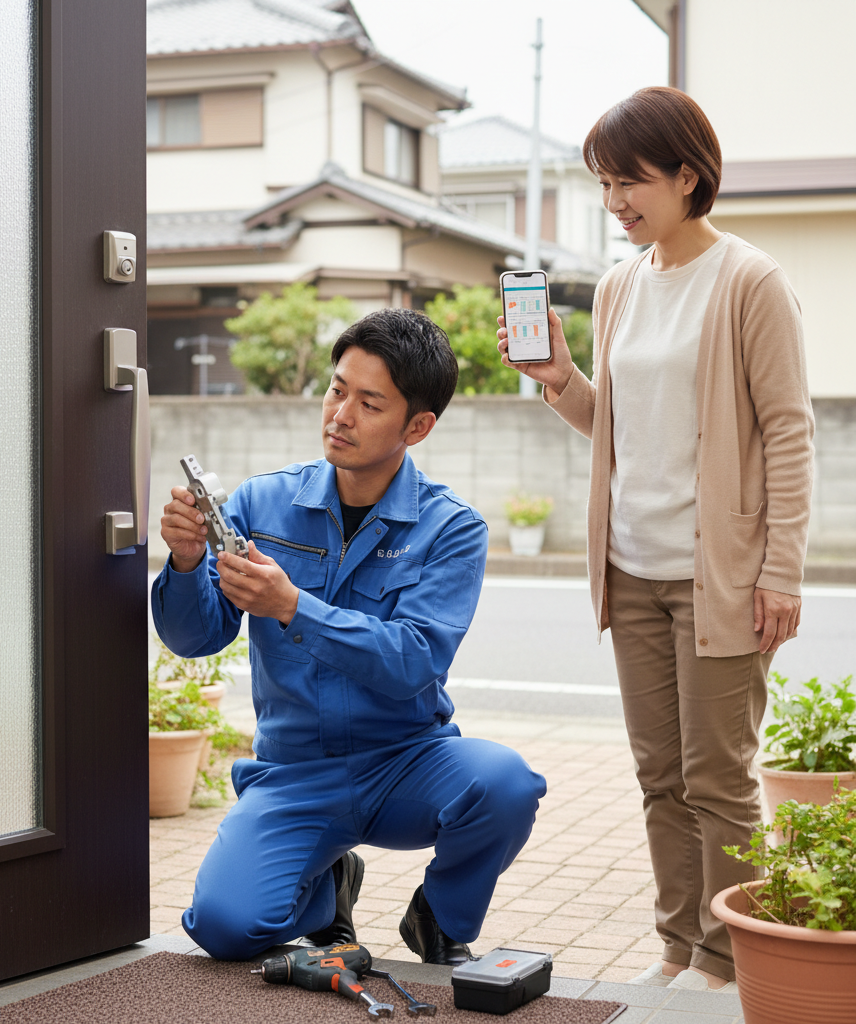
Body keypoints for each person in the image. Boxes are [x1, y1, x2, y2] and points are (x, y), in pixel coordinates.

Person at [498, 87, 814, 994]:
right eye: (603, 183)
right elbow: (619, 426)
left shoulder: (750, 281)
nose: (615, 202)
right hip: (631, 567)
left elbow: (789, 433)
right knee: (657, 777)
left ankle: (727, 957)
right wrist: (559, 379)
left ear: (687, 174)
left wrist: (780, 570)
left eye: (628, 181)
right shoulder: (620, 285)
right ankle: (678, 945)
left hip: (718, 572)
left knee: (718, 778)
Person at [154, 308, 547, 963]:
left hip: (406, 762)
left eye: (369, 403)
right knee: (223, 927)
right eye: (338, 390)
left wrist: (293, 607)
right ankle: (327, 887)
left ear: (417, 426)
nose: (340, 414)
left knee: (506, 784)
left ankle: (440, 919)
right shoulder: (261, 505)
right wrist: (187, 562)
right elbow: (195, 639)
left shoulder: (451, 528)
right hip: (294, 773)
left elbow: (413, 660)